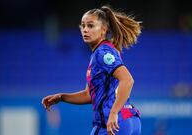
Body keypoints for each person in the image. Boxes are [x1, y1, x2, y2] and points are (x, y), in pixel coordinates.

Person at [42, 5, 142, 135]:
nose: (85, 30)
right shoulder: (104, 50)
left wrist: (113, 113)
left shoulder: (102, 53)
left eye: (90, 26)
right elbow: (89, 95)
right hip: (129, 119)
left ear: (103, 30)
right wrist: (62, 97)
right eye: (83, 26)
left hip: (113, 123)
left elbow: (127, 80)